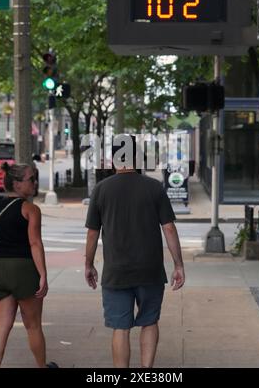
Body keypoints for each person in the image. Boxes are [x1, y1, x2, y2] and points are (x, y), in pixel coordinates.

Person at [84, 135, 185, 368]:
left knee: (121, 328)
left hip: (116, 271)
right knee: (149, 321)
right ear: (138, 157)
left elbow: (92, 233)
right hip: (149, 270)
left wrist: (88, 265)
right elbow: (168, 228)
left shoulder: (101, 190)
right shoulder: (154, 187)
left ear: (114, 160)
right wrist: (178, 265)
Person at [0, 162, 57, 368]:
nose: (35, 183)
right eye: (31, 179)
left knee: (2, 325)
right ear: (17, 184)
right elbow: (35, 243)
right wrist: (43, 274)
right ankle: (41, 366)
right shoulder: (30, 209)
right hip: (23, 269)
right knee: (33, 325)